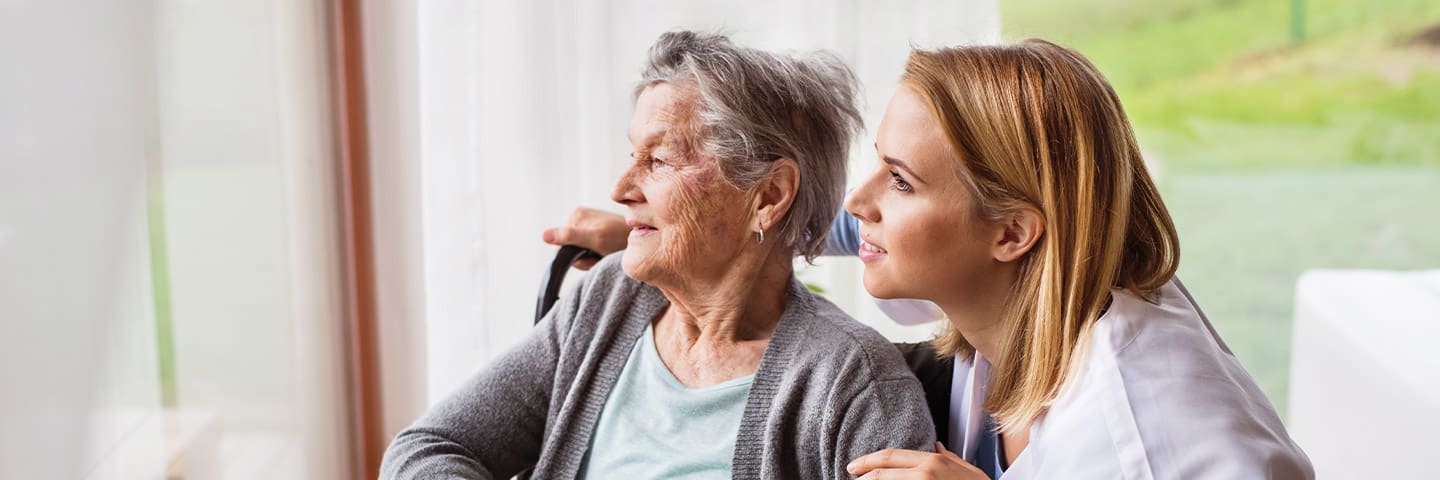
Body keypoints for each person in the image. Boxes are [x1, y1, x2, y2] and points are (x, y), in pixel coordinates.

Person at [544, 39, 1314, 479]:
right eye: (879, 162)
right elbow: (860, 223)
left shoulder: (1140, 429)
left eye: (901, 180)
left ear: (1013, 232)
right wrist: (691, 234)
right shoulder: (1036, 279)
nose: (857, 198)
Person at [380, 31, 935, 480]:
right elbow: (428, 448)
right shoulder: (606, 304)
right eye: (632, 155)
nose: (621, 188)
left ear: (767, 196)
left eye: (661, 160)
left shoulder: (848, 383)